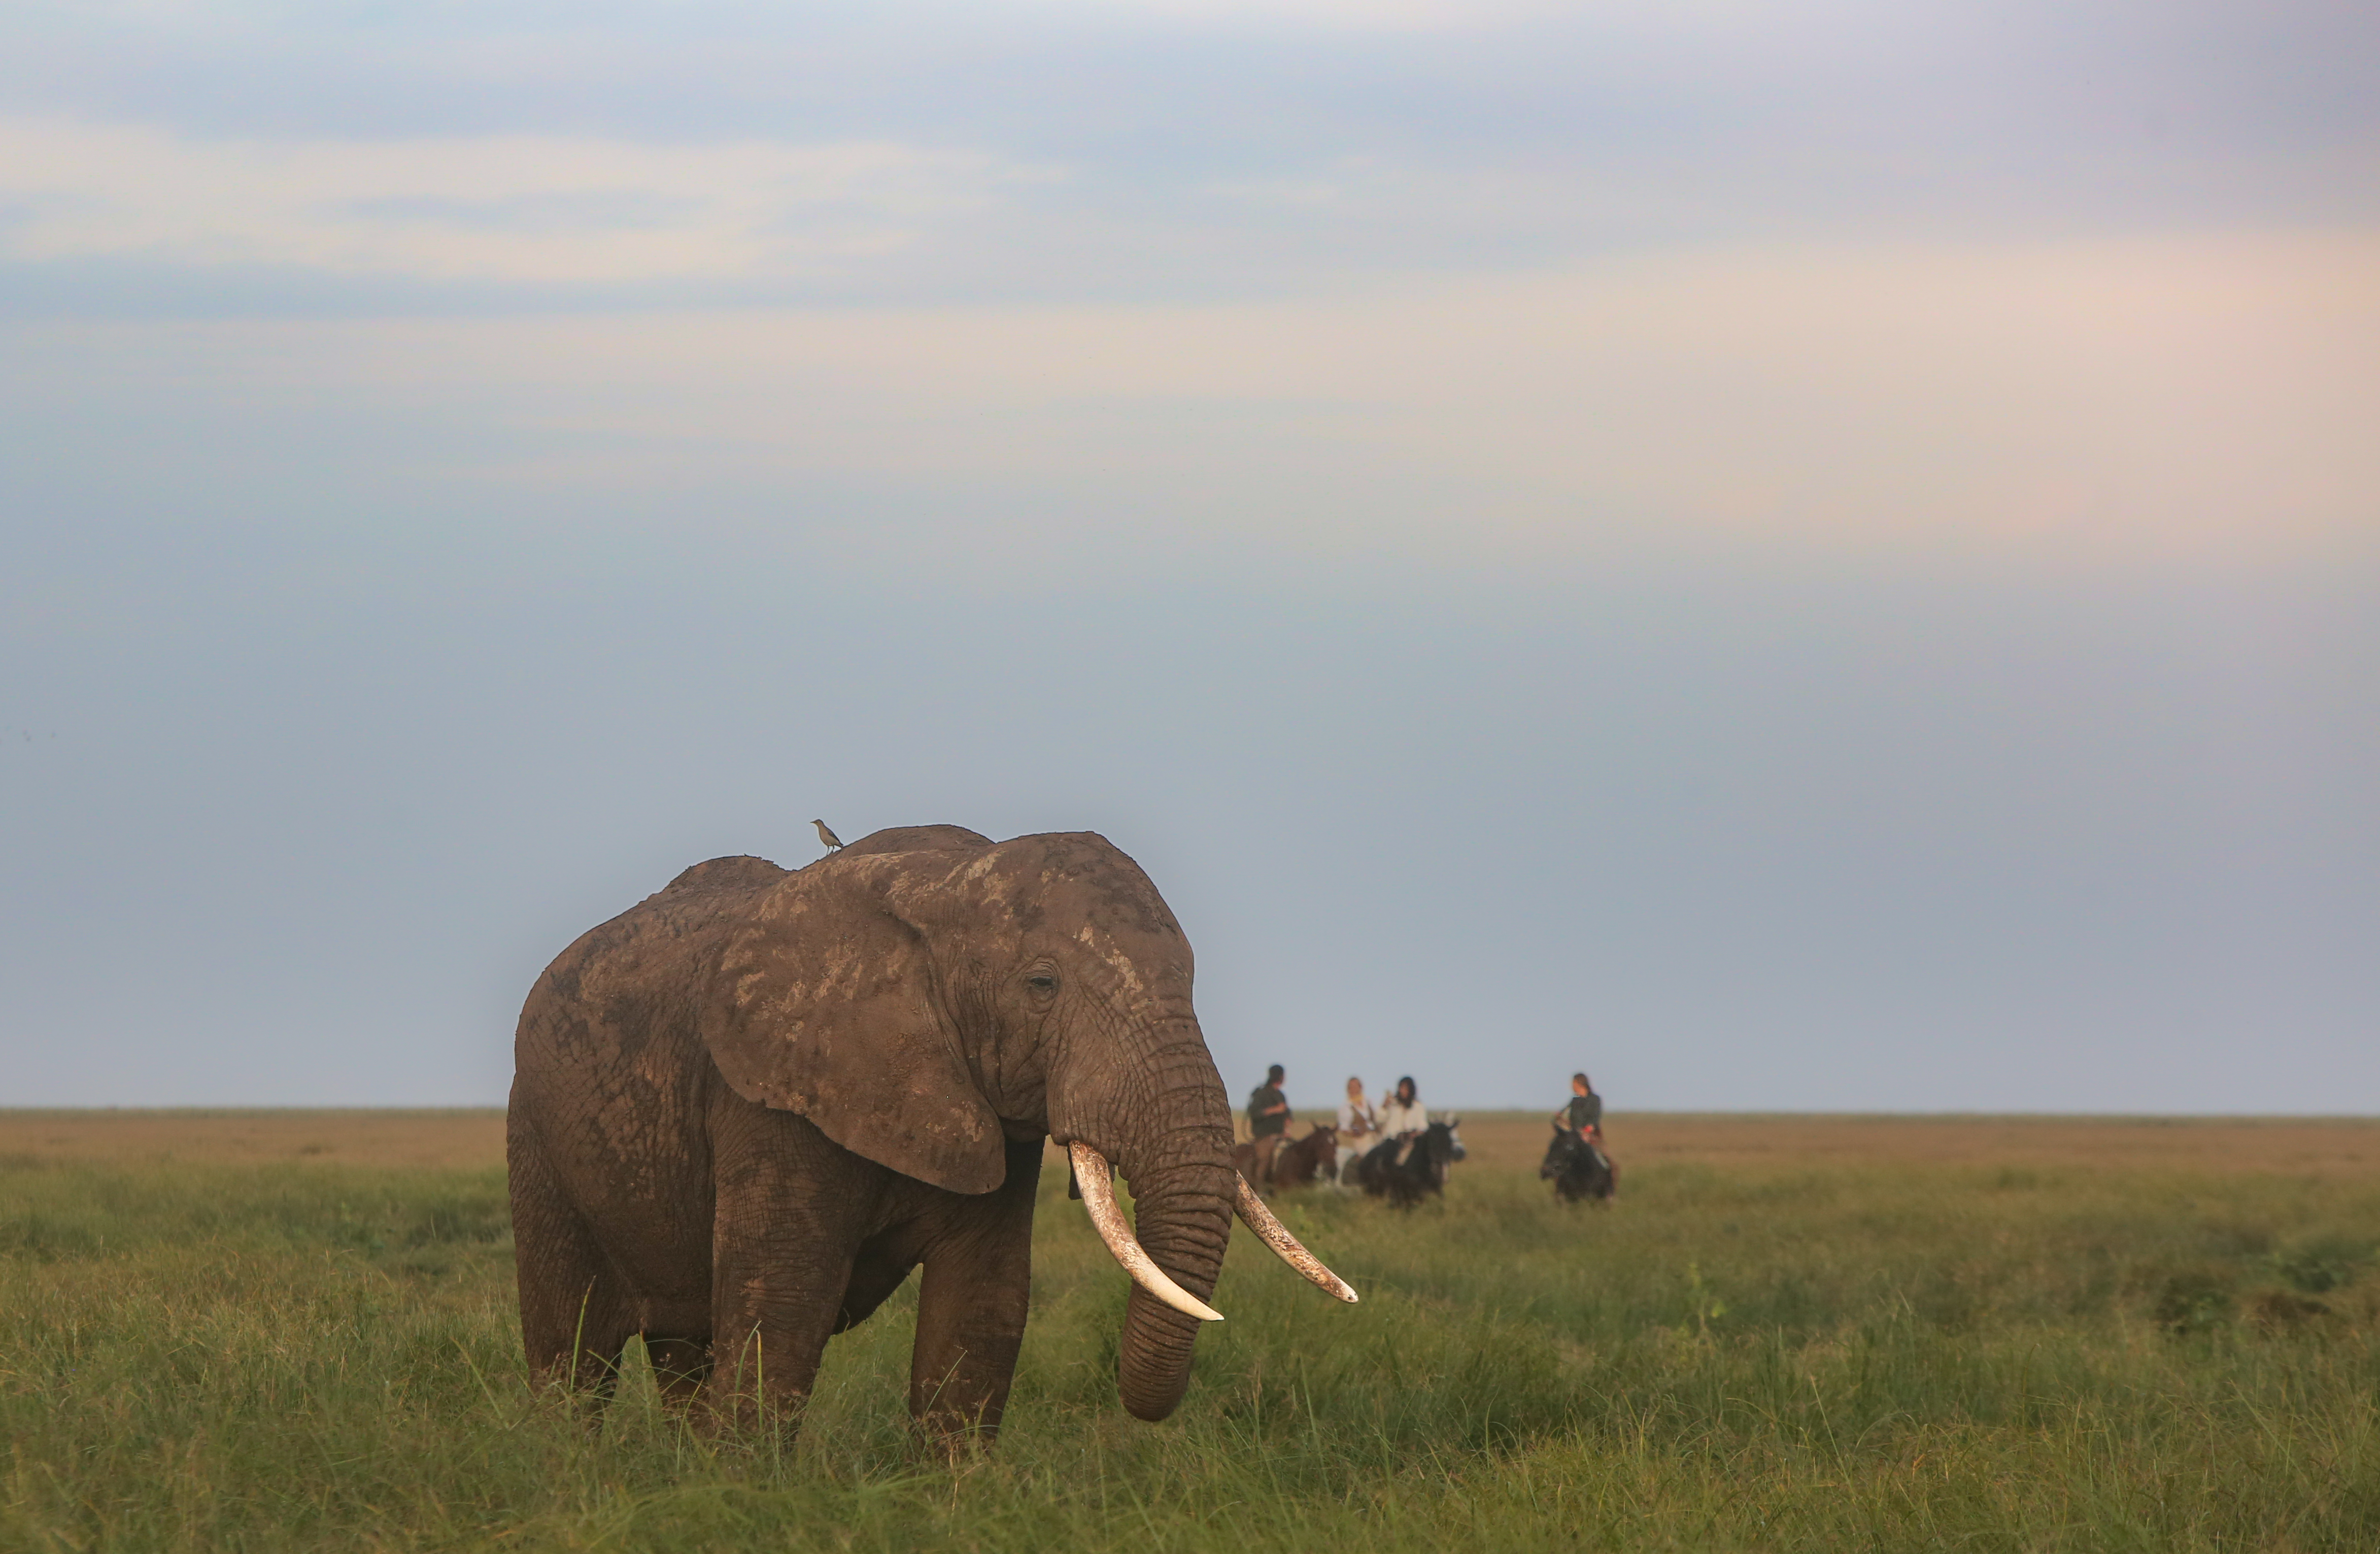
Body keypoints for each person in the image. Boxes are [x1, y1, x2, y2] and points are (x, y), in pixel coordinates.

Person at [1246, 1064, 1291, 1180]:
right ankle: (1259, 1188)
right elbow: (1255, 1114)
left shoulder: (1280, 1095)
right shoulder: (1261, 1094)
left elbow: (1287, 1116)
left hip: (1280, 1136)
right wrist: (1275, 1110)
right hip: (1265, 1136)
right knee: (1264, 1159)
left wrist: (1287, 1128)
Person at [1333, 1076, 1378, 1185]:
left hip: (1375, 1135)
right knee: (1370, 1156)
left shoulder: (1368, 1101)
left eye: (1356, 1086)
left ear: (1360, 1088)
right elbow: (1344, 1129)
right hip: (1361, 1140)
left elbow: (1376, 1118)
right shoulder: (1346, 1107)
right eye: (1351, 1087)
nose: (1353, 1089)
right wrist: (1354, 1133)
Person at [1373, 1075, 1427, 1162]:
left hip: (1410, 1144)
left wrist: (1414, 1134)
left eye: (1406, 1089)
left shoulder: (1418, 1106)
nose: (1404, 1091)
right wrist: (1384, 1106)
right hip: (1391, 1143)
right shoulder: (1393, 1104)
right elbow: (1379, 1119)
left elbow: (1423, 1127)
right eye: (1402, 1088)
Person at [1553, 1072, 1603, 1142]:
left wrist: (1589, 1128)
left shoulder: (1595, 1099)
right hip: (1574, 1132)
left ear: (1580, 1084)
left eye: (1574, 1084)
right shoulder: (1575, 1100)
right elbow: (1565, 1111)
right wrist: (1559, 1115)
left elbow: (1596, 1117)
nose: (1572, 1086)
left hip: (1590, 1134)